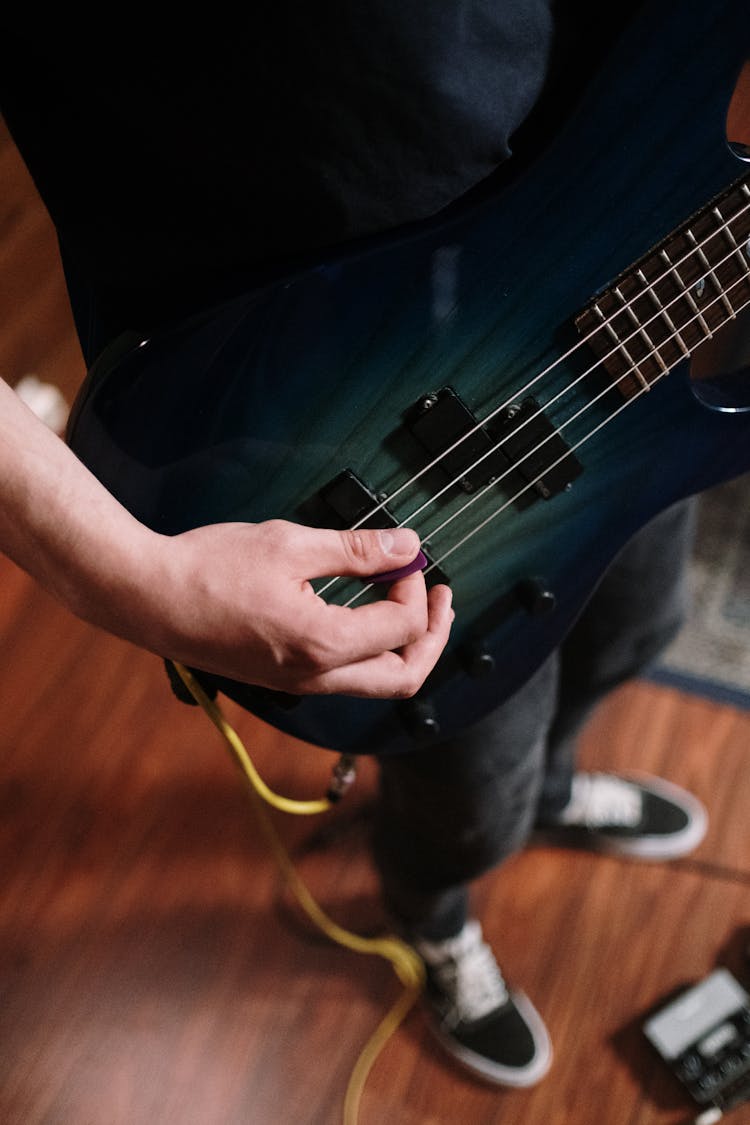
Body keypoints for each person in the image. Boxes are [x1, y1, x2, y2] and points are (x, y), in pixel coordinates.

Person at [1, 1, 709, 1093]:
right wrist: (130, 575)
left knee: (637, 621)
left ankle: (557, 786)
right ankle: (434, 909)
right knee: (471, 788)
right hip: (345, 423)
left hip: (620, 297)